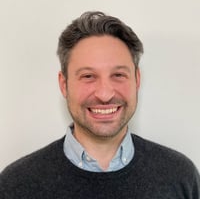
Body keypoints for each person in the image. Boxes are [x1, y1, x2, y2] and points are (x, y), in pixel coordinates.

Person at [0, 11, 199, 199]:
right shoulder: (15, 185)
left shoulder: (181, 177)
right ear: (64, 84)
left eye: (118, 75)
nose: (105, 94)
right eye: (88, 76)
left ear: (137, 80)